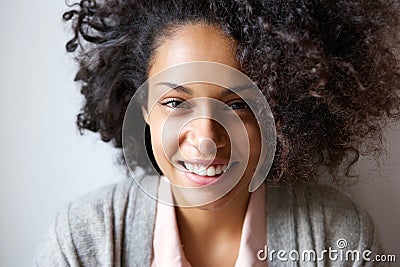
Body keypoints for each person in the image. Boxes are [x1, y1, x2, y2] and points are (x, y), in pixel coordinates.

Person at [34, 0, 400, 266]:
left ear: (279, 113)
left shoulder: (338, 239)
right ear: (143, 108)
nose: (206, 138)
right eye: (176, 102)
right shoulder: (83, 240)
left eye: (238, 103)